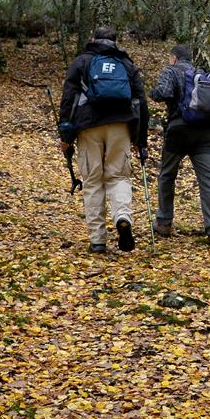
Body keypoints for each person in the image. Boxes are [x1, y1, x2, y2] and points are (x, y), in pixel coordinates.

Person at [57, 25, 148, 253]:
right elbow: (141, 103)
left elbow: (69, 99)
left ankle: (98, 240)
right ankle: (122, 218)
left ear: (93, 38)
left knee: (92, 181)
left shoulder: (82, 62)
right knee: (118, 176)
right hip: (121, 126)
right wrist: (140, 140)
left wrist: (66, 135)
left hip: (88, 127)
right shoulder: (127, 65)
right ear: (115, 42)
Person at [149, 43, 210, 247]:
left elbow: (163, 93)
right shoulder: (201, 74)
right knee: (208, 180)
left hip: (178, 131)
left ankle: (164, 223)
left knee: (167, 175)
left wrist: (152, 92)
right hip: (205, 134)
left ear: (173, 58)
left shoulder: (171, 70)